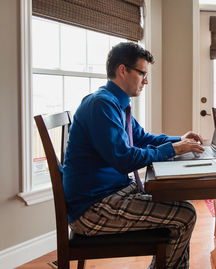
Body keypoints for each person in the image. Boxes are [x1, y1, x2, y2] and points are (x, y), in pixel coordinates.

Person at [63, 42, 204, 269]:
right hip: (93, 209)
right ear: (122, 70)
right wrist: (172, 150)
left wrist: (178, 140)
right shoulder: (102, 105)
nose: (146, 81)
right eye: (142, 74)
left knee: (178, 204)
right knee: (185, 214)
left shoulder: (115, 103)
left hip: (111, 194)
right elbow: (123, 159)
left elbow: (142, 137)